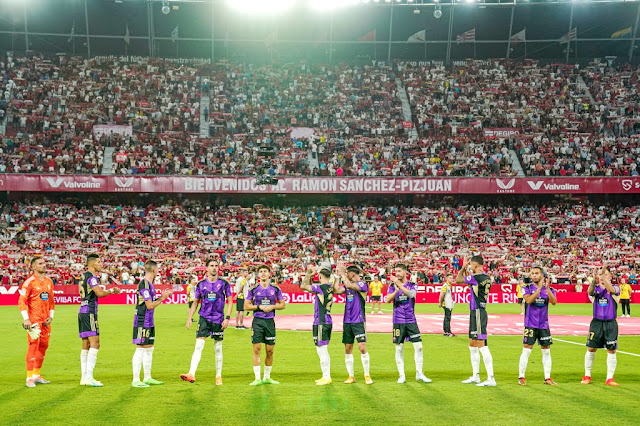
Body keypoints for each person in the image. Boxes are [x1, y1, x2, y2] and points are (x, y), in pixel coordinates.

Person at [181, 258, 232, 385]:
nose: (214, 268)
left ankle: (218, 376)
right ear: (207, 268)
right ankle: (191, 373)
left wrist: (227, 318)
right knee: (198, 346)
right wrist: (189, 318)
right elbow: (195, 302)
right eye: (211, 266)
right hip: (204, 318)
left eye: (216, 265)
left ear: (218, 268)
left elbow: (230, 300)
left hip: (218, 319)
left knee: (218, 348)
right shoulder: (201, 284)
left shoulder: (224, 283)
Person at [78, 254, 121, 387]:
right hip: (90, 313)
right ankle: (89, 377)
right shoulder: (92, 277)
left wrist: (104, 272)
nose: (100, 264)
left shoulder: (84, 275)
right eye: (98, 262)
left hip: (82, 311)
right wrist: (112, 290)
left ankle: (84, 378)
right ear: (91, 264)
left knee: (86, 346)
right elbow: (100, 293)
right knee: (95, 344)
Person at [385, 263, 431, 384]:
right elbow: (387, 299)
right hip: (398, 321)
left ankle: (419, 373)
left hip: (411, 320)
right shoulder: (392, 286)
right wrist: (395, 291)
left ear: (405, 272)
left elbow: (411, 294)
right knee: (399, 348)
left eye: (399, 271)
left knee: (419, 347)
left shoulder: (412, 285)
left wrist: (399, 285)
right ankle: (401, 375)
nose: (397, 274)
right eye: (396, 271)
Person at [131, 260, 173, 388]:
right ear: (154, 270)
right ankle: (136, 379)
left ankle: (147, 377)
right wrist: (162, 298)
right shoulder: (144, 284)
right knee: (140, 348)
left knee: (149, 348)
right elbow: (149, 305)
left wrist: (160, 297)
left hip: (149, 320)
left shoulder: (149, 284)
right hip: (142, 320)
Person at [456, 255, 496, 387]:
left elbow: (458, 280)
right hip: (477, 311)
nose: (470, 267)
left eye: (471, 265)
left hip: (478, 311)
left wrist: (462, 267)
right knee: (472, 344)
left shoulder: (477, 278)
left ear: (475, 265)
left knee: (481, 345)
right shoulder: (486, 278)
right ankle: (475, 376)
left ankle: (491, 378)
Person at [244, 264, 286, 386]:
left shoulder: (275, 289)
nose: (263, 273)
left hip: (269, 322)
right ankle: (257, 378)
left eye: (265, 271)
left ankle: (267, 377)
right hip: (257, 321)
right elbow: (246, 305)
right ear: (258, 275)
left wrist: (272, 306)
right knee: (257, 349)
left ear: (269, 274)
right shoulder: (253, 289)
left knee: (270, 351)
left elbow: (282, 305)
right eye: (261, 271)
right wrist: (259, 307)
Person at [518, 266, 558, 386]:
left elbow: (554, 302)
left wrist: (546, 289)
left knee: (546, 352)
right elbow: (529, 300)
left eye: (536, 273)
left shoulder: (550, 289)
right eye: (532, 274)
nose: (534, 275)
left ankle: (547, 378)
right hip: (530, 324)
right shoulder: (526, 288)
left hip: (544, 325)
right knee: (526, 350)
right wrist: (539, 289)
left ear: (542, 275)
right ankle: (521, 377)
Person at [334, 264, 373, 385]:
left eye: (347, 273)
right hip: (347, 321)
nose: (346, 275)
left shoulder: (361, 284)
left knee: (362, 347)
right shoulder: (348, 286)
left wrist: (342, 274)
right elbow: (336, 290)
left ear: (352, 274)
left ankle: (367, 374)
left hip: (358, 320)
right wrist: (336, 277)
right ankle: (351, 376)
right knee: (348, 348)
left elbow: (350, 284)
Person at [18, 257, 54, 388]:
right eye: (40, 264)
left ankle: (36, 375)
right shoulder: (29, 282)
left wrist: (51, 316)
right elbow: (21, 301)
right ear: (33, 267)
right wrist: (26, 318)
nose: (43, 265)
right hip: (34, 321)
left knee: (44, 347)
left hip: (46, 321)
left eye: (44, 263)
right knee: (33, 346)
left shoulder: (49, 281)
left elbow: (51, 301)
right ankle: (29, 378)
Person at [582, 267, 620, 386]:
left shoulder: (616, 288)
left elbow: (612, 290)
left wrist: (604, 279)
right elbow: (589, 292)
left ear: (610, 276)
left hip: (611, 323)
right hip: (597, 323)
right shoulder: (595, 288)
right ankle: (587, 375)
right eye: (600, 275)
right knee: (591, 348)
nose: (602, 277)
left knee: (611, 350)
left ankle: (609, 378)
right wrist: (594, 280)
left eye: (605, 275)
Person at [300, 262, 334, 386]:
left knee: (322, 350)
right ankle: (326, 375)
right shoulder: (330, 287)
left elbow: (303, 286)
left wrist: (309, 274)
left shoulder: (320, 288)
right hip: (326, 319)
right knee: (323, 349)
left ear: (319, 276)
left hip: (321, 321)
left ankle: (326, 376)